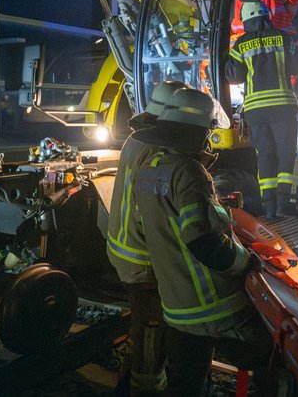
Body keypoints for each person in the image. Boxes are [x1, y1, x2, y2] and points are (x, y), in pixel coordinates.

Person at [129, 87, 274, 396]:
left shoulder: (148, 170)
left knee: (186, 385)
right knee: (273, 356)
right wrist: (246, 261)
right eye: (208, 129)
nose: (210, 137)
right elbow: (202, 240)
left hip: (177, 310)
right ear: (197, 131)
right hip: (215, 306)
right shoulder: (189, 172)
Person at [106, 80, 189, 396]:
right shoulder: (157, 147)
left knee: (141, 320)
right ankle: (145, 386)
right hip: (143, 256)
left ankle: (131, 377)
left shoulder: (136, 139)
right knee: (151, 327)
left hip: (126, 247)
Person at [226, 1, 298, 220]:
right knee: (287, 153)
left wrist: (224, 61)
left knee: (265, 155)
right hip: (283, 107)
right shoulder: (283, 38)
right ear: (266, 16)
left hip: (256, 111)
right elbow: (297, 66)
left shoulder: (241, 44)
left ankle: (269, 208)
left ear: (246, 20)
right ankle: (285, 204)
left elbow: (234, 77)